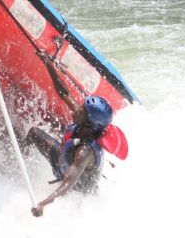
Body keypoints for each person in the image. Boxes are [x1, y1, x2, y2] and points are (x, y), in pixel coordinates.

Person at [25, 54, 127, 217]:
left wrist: (43, 204)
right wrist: (49, 65)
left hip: (78, 188)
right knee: (33, 133)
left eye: (81, 110)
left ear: (89, 122)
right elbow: (63, 93)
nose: (76, 109)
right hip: (63, 159)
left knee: (68, 187)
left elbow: (67, 184)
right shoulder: (85, 120)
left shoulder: (85, 152)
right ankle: (17, 162)